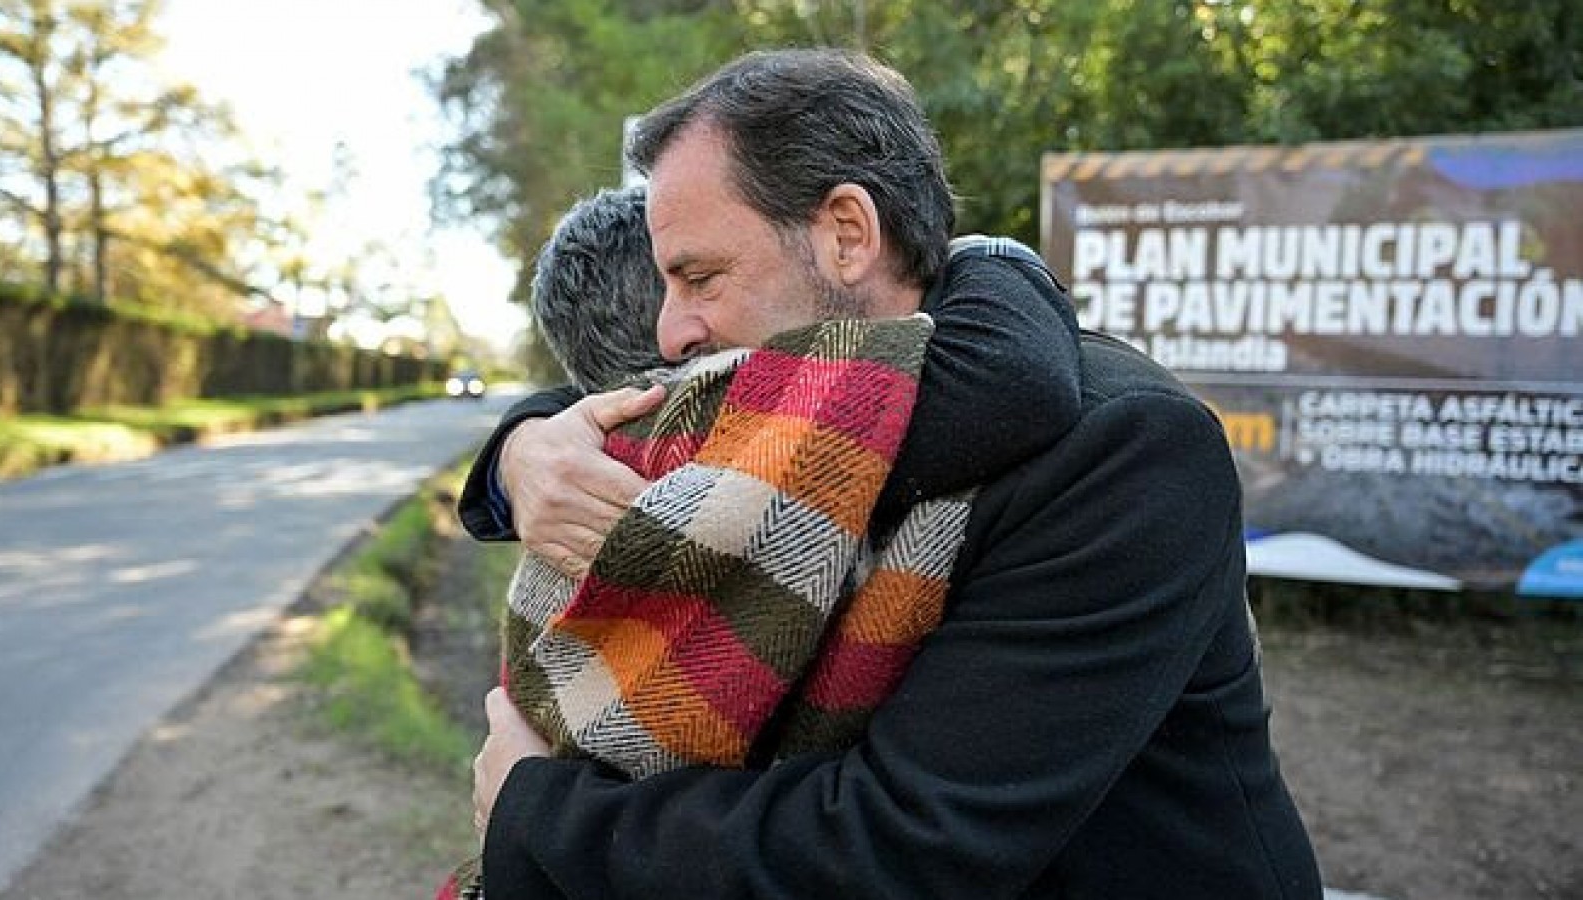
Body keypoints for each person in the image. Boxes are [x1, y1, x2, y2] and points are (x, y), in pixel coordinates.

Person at [466, 48, 1321, 900]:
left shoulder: (1125, 455)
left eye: (700, 276)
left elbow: (905, 850)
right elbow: (628, 401)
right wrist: (525, 447)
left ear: (846, 236)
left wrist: (536, 813)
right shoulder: (777, 420)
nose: (669, 333)